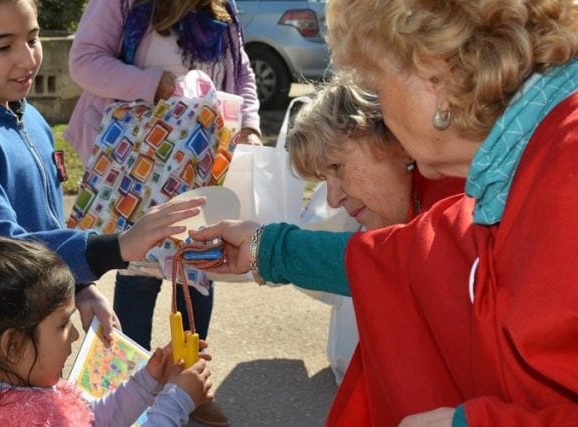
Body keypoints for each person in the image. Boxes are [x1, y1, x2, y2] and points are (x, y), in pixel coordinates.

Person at [191, 0, 578, 425]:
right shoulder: (523, 169)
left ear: (435, 72)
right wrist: (267, 249)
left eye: (376, 81)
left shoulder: (564, 168)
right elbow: (408, 259)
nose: (382, 113)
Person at [0, 0, 205, 343]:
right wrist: (118, 247)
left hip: (37, 332)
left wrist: (80, 288)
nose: (28, 59)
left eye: (32, 39)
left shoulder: (28, 117)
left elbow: (44, 227)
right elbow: (4, 249)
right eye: (3, 46)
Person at [67, 0, 261, 423]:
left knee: (196, 271)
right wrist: (153, 83)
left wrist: (249, 123)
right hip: (137, 164)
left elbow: (241, 71)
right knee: (138, 275)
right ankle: (128, 393)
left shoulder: (219, 6)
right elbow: (84, 62)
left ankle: (191, 385)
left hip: (198, 162)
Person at [0, 229, 214, 426]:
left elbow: (90, 419)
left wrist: (149, 379)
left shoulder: (4, 387)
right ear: (12, 346)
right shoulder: (25, 420)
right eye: (63, 324)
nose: (75, 334)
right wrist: (177, 401)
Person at [286, 75, 464, 384]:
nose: (333, 198)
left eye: (337, 168)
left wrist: (266, 249)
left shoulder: (459, 202)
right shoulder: (422, 200)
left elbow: (393, 263)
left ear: (394, 139)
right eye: (324, 179)